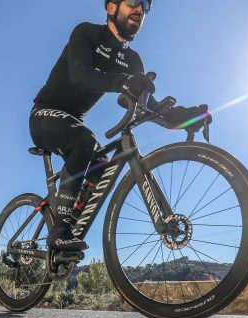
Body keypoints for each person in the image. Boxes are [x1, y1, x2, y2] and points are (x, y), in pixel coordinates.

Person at [29, 0, 210, 252]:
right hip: (45, 113)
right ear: (111, 7)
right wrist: (121, 81)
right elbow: (79, 75)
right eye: (134, 2)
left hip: (74, 122)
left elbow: (151, 108)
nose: (140, 9)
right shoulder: (86, 33)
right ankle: (60, 230)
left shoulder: (133, 61)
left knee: (101, 164)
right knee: (86, 141)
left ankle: (70, 217)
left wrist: (187, 116)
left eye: (145, 6)